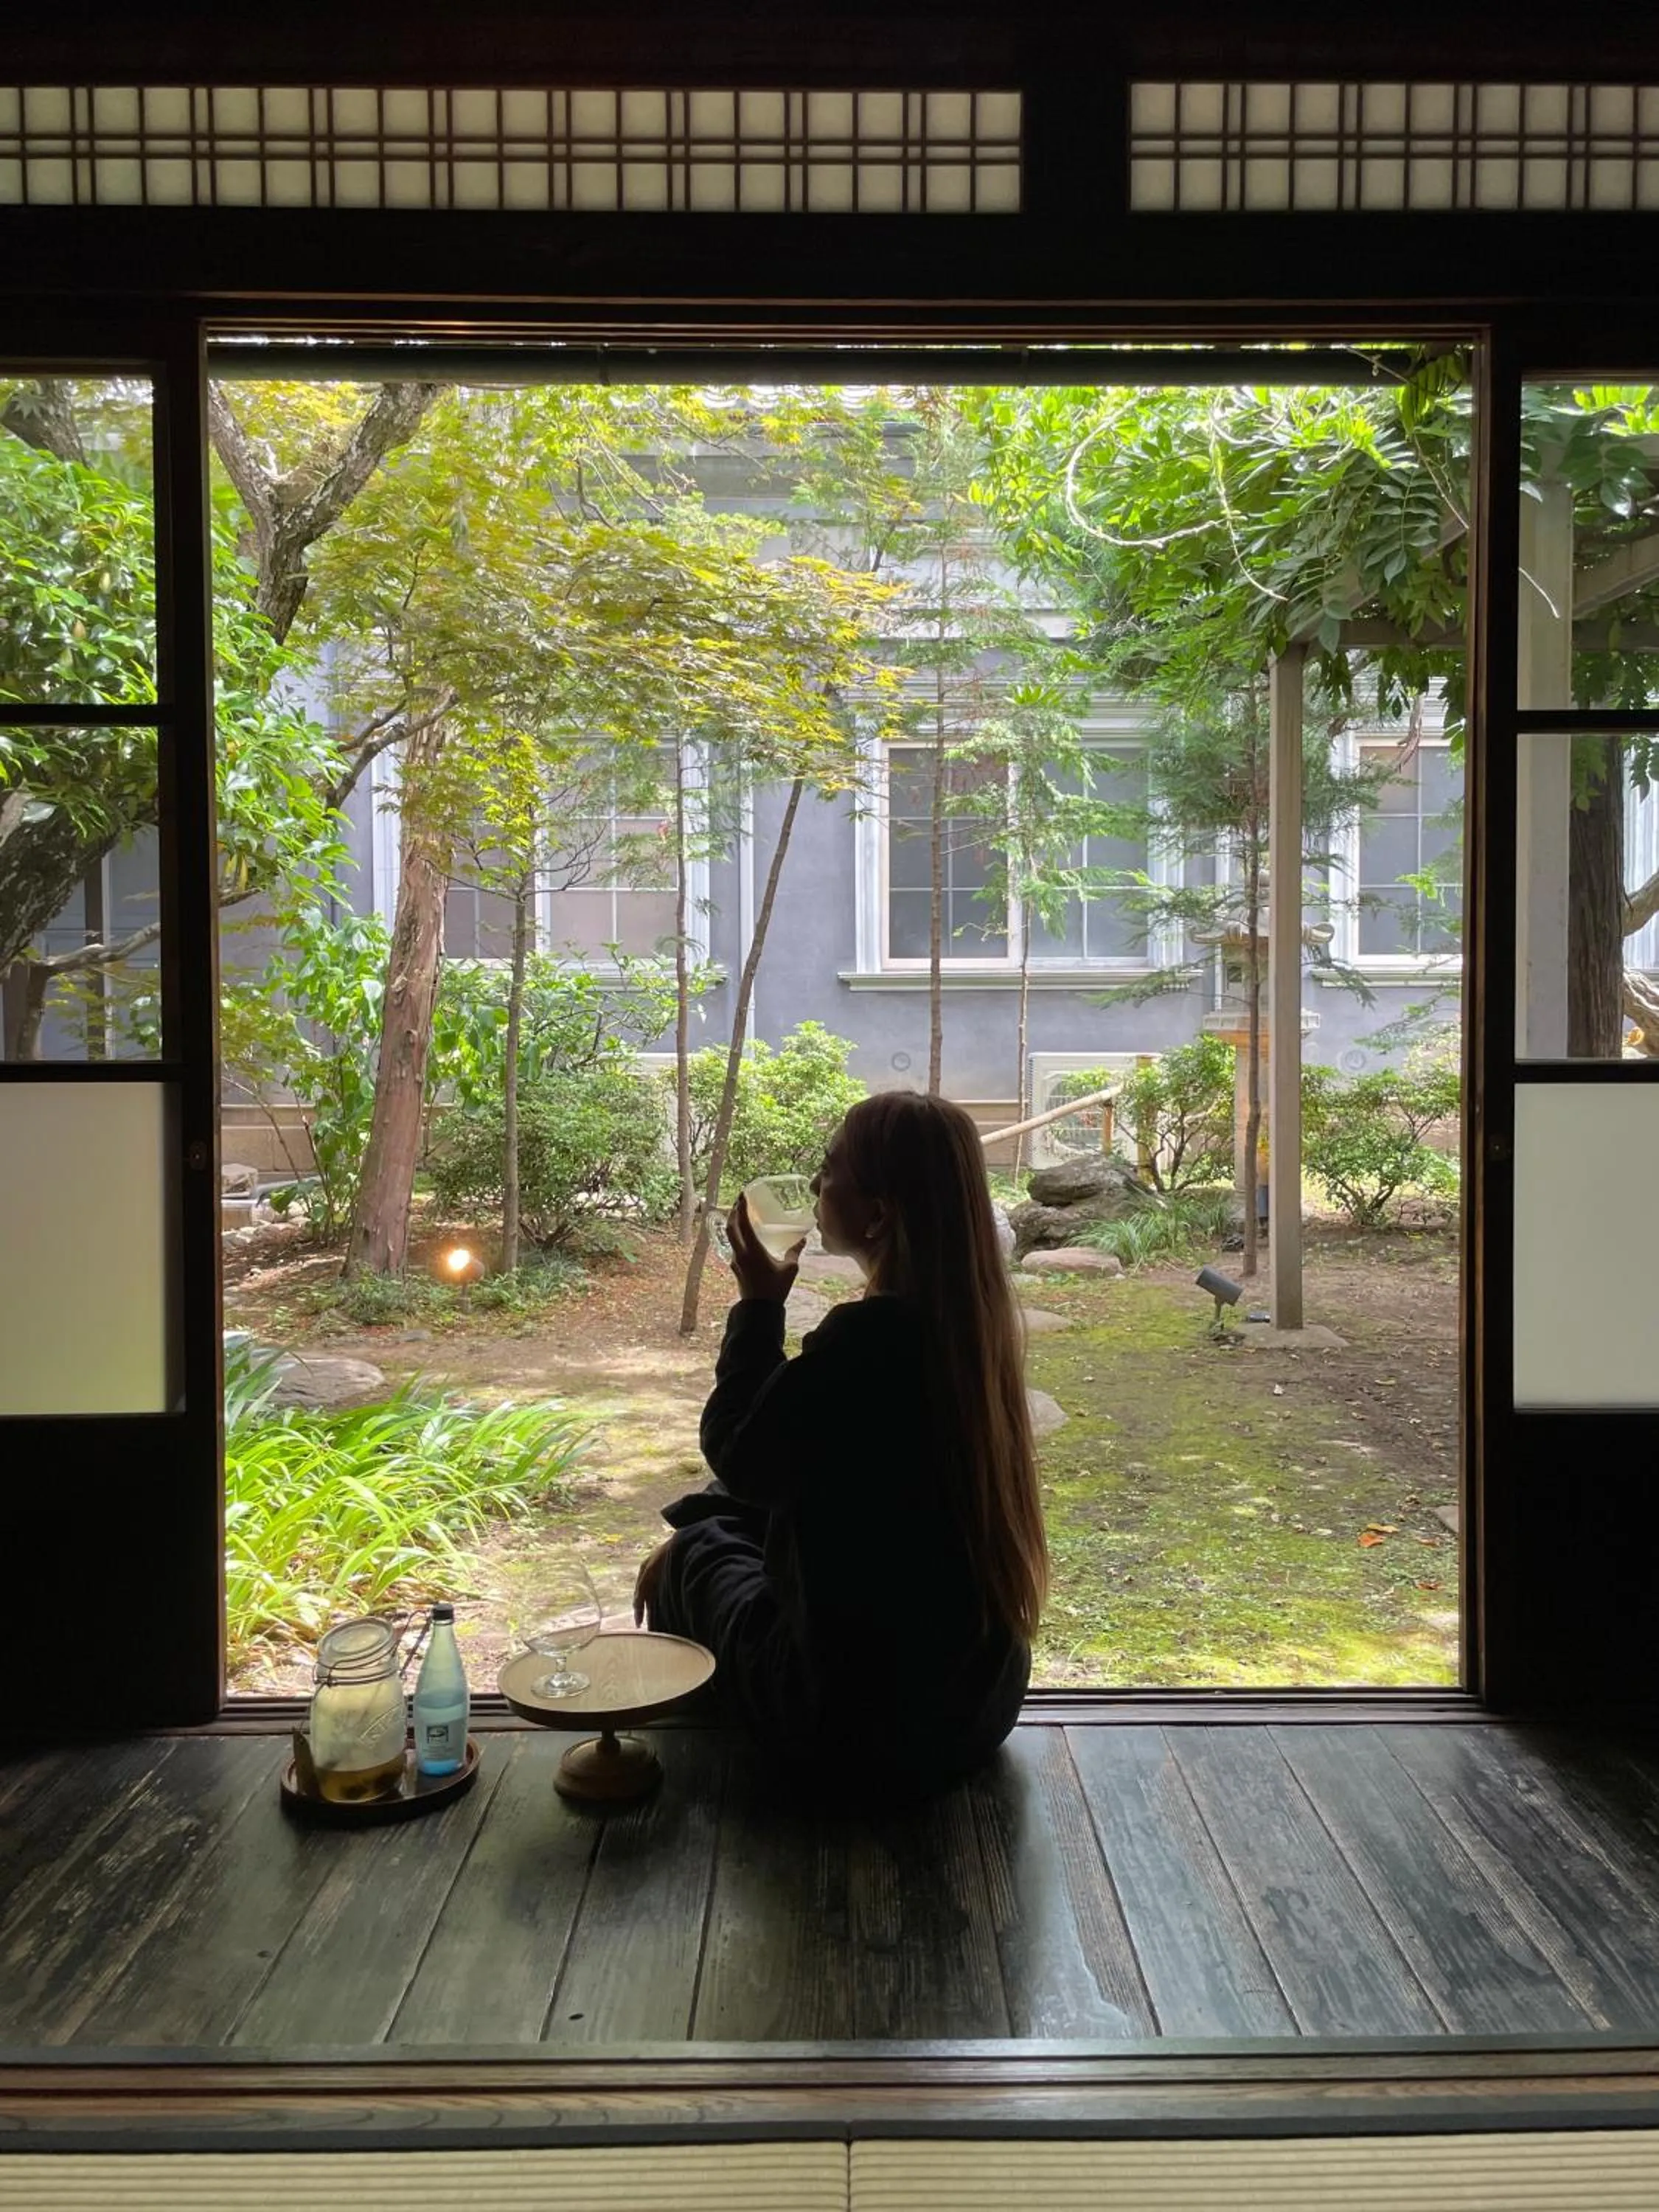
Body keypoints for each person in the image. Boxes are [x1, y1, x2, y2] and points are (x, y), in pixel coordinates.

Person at [633, 1090, 1047, 1802]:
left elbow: (738, 1451)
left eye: (830, 1170)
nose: (817, 1185)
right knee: (723, 1514)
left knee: (691, 1553)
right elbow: (797, 1464)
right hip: (974, 1708)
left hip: (851, 1725)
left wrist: (759, 1306)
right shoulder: (969, 1332)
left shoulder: (870, 1340)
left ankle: (705, 1763)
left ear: (880, 1213)